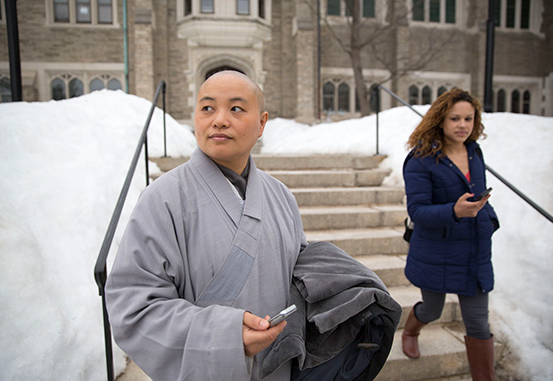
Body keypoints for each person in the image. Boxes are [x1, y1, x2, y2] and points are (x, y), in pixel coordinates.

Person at [105, 70, 401, 380]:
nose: (219, 119)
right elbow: (133, 308)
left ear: (261, 123)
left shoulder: (280, 195)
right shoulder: (162, 199)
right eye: (207, 108)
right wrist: (226, 337)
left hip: (278, 368)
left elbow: (296, 277)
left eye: (236, 108)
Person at [401, 88, 499, 380]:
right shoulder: (420, 159)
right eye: (455, 118)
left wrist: (488, 218)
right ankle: (411, 329)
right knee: (432, 309)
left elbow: (476, 194)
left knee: (479, 324)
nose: (463, 125)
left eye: (469, 119)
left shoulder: (474, 150)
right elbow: (417, 212)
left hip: (474, 252)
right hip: (436, 252)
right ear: (440, 119)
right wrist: (454, 212)